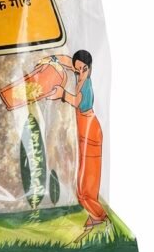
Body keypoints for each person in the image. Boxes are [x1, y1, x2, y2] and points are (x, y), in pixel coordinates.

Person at [45, 49, 108, 228]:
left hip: (90, 132)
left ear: (89, 68)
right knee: (80, 180)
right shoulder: (78, 76)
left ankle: (99, 216)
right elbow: (67, 61)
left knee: (86, 181)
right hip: (82, 131)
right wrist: (51, 59)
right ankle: (94, 215)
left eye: (83, 69)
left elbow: (77, 101)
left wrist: (62, 94)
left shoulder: (86, 85)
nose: (80, 73)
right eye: (77, 69)